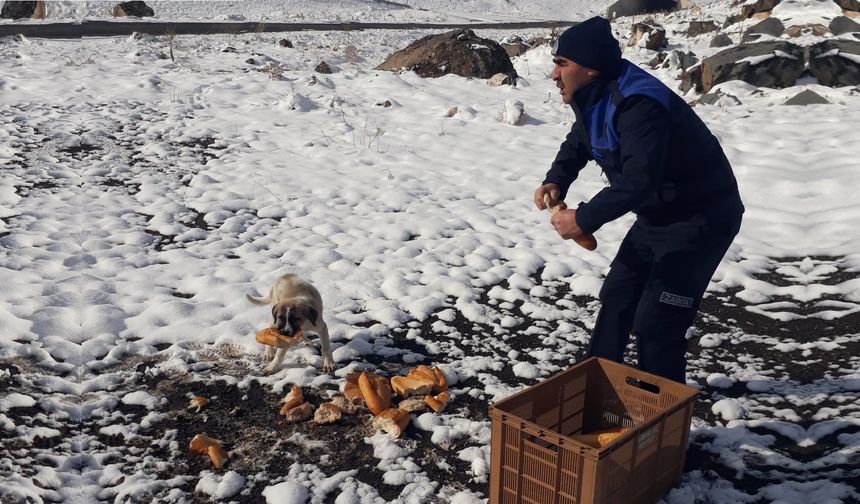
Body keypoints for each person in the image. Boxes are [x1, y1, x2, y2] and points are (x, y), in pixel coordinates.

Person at [534, 16, 744, 383]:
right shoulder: (595, 93)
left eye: (562, 64)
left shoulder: (639, 105)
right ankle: (596, 395)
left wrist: (583, 219)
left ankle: (662, 425)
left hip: (703, 218)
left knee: (657, 323)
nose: (554, 74)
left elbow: (639, 180)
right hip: (659, 216)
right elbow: (581, 139)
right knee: (617, 299)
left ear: (592, 68)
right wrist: (557, 179)